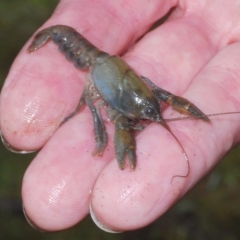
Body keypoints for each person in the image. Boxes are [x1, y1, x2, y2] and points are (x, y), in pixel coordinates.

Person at [1, 0, 240, 233]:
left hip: (110, 68)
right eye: (151, 112)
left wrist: (150, 108)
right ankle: (53, 35)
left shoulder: (148, 94)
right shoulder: (109, 98)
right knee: (107, 116)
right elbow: (110, 111)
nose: (155, 112)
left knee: (150, 103)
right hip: (88, 55)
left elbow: (158, 95)